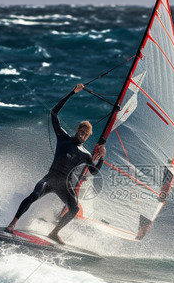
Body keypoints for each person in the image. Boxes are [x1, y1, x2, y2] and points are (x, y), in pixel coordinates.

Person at [6, 83, 106, 244]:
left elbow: (93, 172)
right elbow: (53, 112)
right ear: (77, 130)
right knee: (34, 195)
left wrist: (101, 158)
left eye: (86, 135)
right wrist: (72, 92)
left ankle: (54, 232)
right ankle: (12, 224)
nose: (83, 135)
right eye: (82, 132)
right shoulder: (63, 137)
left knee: (74, 209)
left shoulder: (86, 154)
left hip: (65, 185)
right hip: (51, 178)